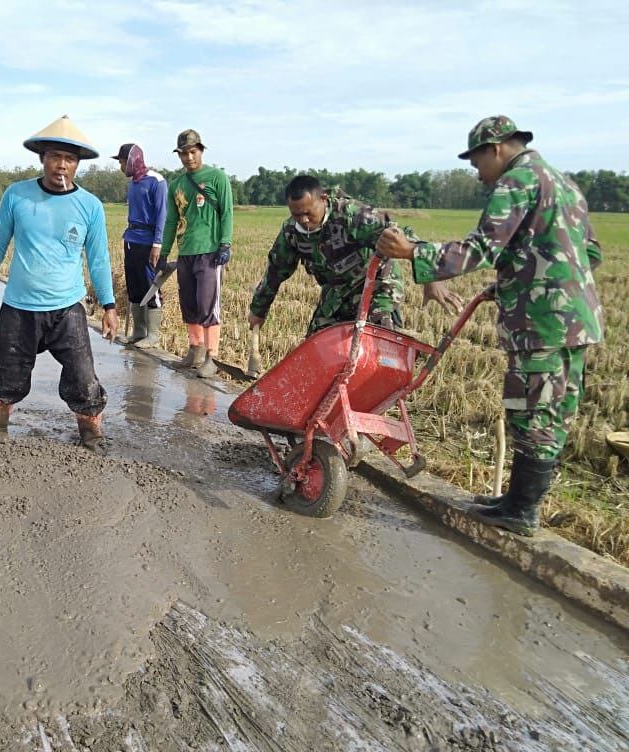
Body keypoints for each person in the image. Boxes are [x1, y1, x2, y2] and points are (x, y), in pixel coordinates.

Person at [377, 116, 604, 536]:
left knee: (531, 411)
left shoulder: (517, 181)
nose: (477, 173)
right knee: (552, 411)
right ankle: (518, 502)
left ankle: (520, 512)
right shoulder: (564, 183)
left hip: (542, 324)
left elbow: (483, 246)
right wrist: (520, 281)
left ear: (496, 148)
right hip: (575, 320)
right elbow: (588, 252)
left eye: (477, 162)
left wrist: (414, 252)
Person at [0, 115, 118, 453]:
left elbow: (98, 260)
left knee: (83, 378)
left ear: (77, 164)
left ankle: (91, 434)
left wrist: (109, 306)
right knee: (8, 379)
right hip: (19, 307)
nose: (61, 165)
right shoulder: (17, 196)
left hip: (67, 309)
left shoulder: (90, 206)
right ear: (42, 158)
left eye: (69, 159)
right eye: (54, 156)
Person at [248, 175, 461, 337]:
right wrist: (259, 310)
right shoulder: (291, 233)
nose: (303, 220)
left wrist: (430, 278)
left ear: (323, 199)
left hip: (376, 285)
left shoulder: (352, 216)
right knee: (317, 345)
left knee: (377, 341)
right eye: (296, 214)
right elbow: (275, 271)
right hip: (338, 291)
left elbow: (401, 236)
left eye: (308, 212)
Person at [159, 129, 233, 378]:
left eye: (192, 152)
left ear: (200, 150)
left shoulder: (217, 177)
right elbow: (171, 221)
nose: (188, 158)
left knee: (207, 305)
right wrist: (164, 251)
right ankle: (194, 349)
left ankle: (211, 356)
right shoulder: (177, 185)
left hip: (210, 252)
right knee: (189, 303)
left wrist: (225, 243)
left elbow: (227, 212)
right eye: (183, 154)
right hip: (186, 251)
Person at [112, 143, 167, 348]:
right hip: (131, 240)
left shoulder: (156, 181)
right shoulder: (133, 183)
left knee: (150, 285)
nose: (120, 166)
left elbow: (162, 214)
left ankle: (153, 335)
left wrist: (157, 243)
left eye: (122, 162)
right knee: (134, 284)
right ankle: (138, 331)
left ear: (133, 159)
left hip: (148, 241)